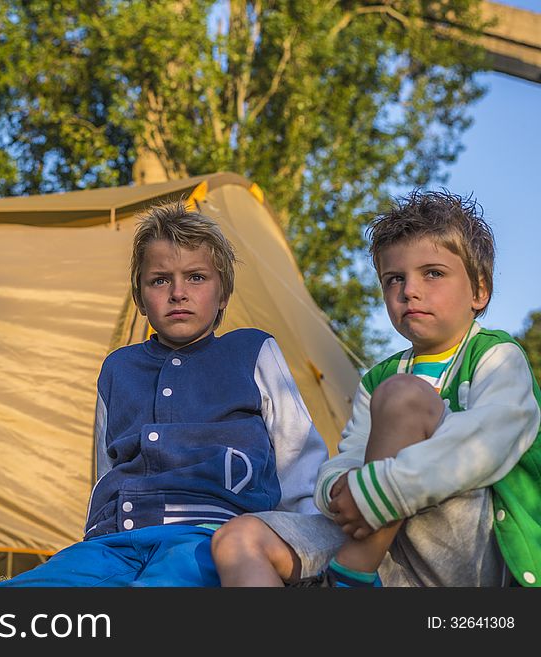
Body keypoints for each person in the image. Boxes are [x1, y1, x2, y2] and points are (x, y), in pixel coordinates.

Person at [0, 199, 335, 586]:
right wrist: (96, 534)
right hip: (114, 541)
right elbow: (107, 468)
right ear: (139, 297)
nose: (178, 292)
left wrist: (305, 544)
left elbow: (298, 453)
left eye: (196, 277)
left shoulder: (252, 351)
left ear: (223, 294)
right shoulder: (118, 369)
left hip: (208, 535)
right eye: (159, 280)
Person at [212, 189, 541, 587]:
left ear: (479, 291)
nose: (410, 290)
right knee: (239, 539)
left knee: (404, 398)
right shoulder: (378, 378)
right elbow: (351, 454)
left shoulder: (497, 355)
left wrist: (379, 488)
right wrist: (339, 485)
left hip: (474, 555)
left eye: (433, 273)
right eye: (394, 279)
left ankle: (350, 576)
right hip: (391, 550)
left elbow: (490, 442)